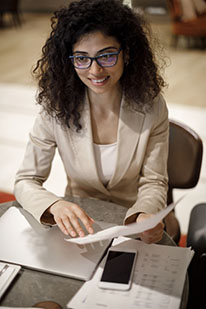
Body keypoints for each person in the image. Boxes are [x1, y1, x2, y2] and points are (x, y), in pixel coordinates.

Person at [14, 0, 169, 244]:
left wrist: (143, 214)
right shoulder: (56, 107)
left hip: (132, 223)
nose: (94, 70)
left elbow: (154, 181)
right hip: (80, 225)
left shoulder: (152, 106)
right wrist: (54, 205)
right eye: (82, 58)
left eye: (106, 56)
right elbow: (26, 180)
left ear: (126, 53)